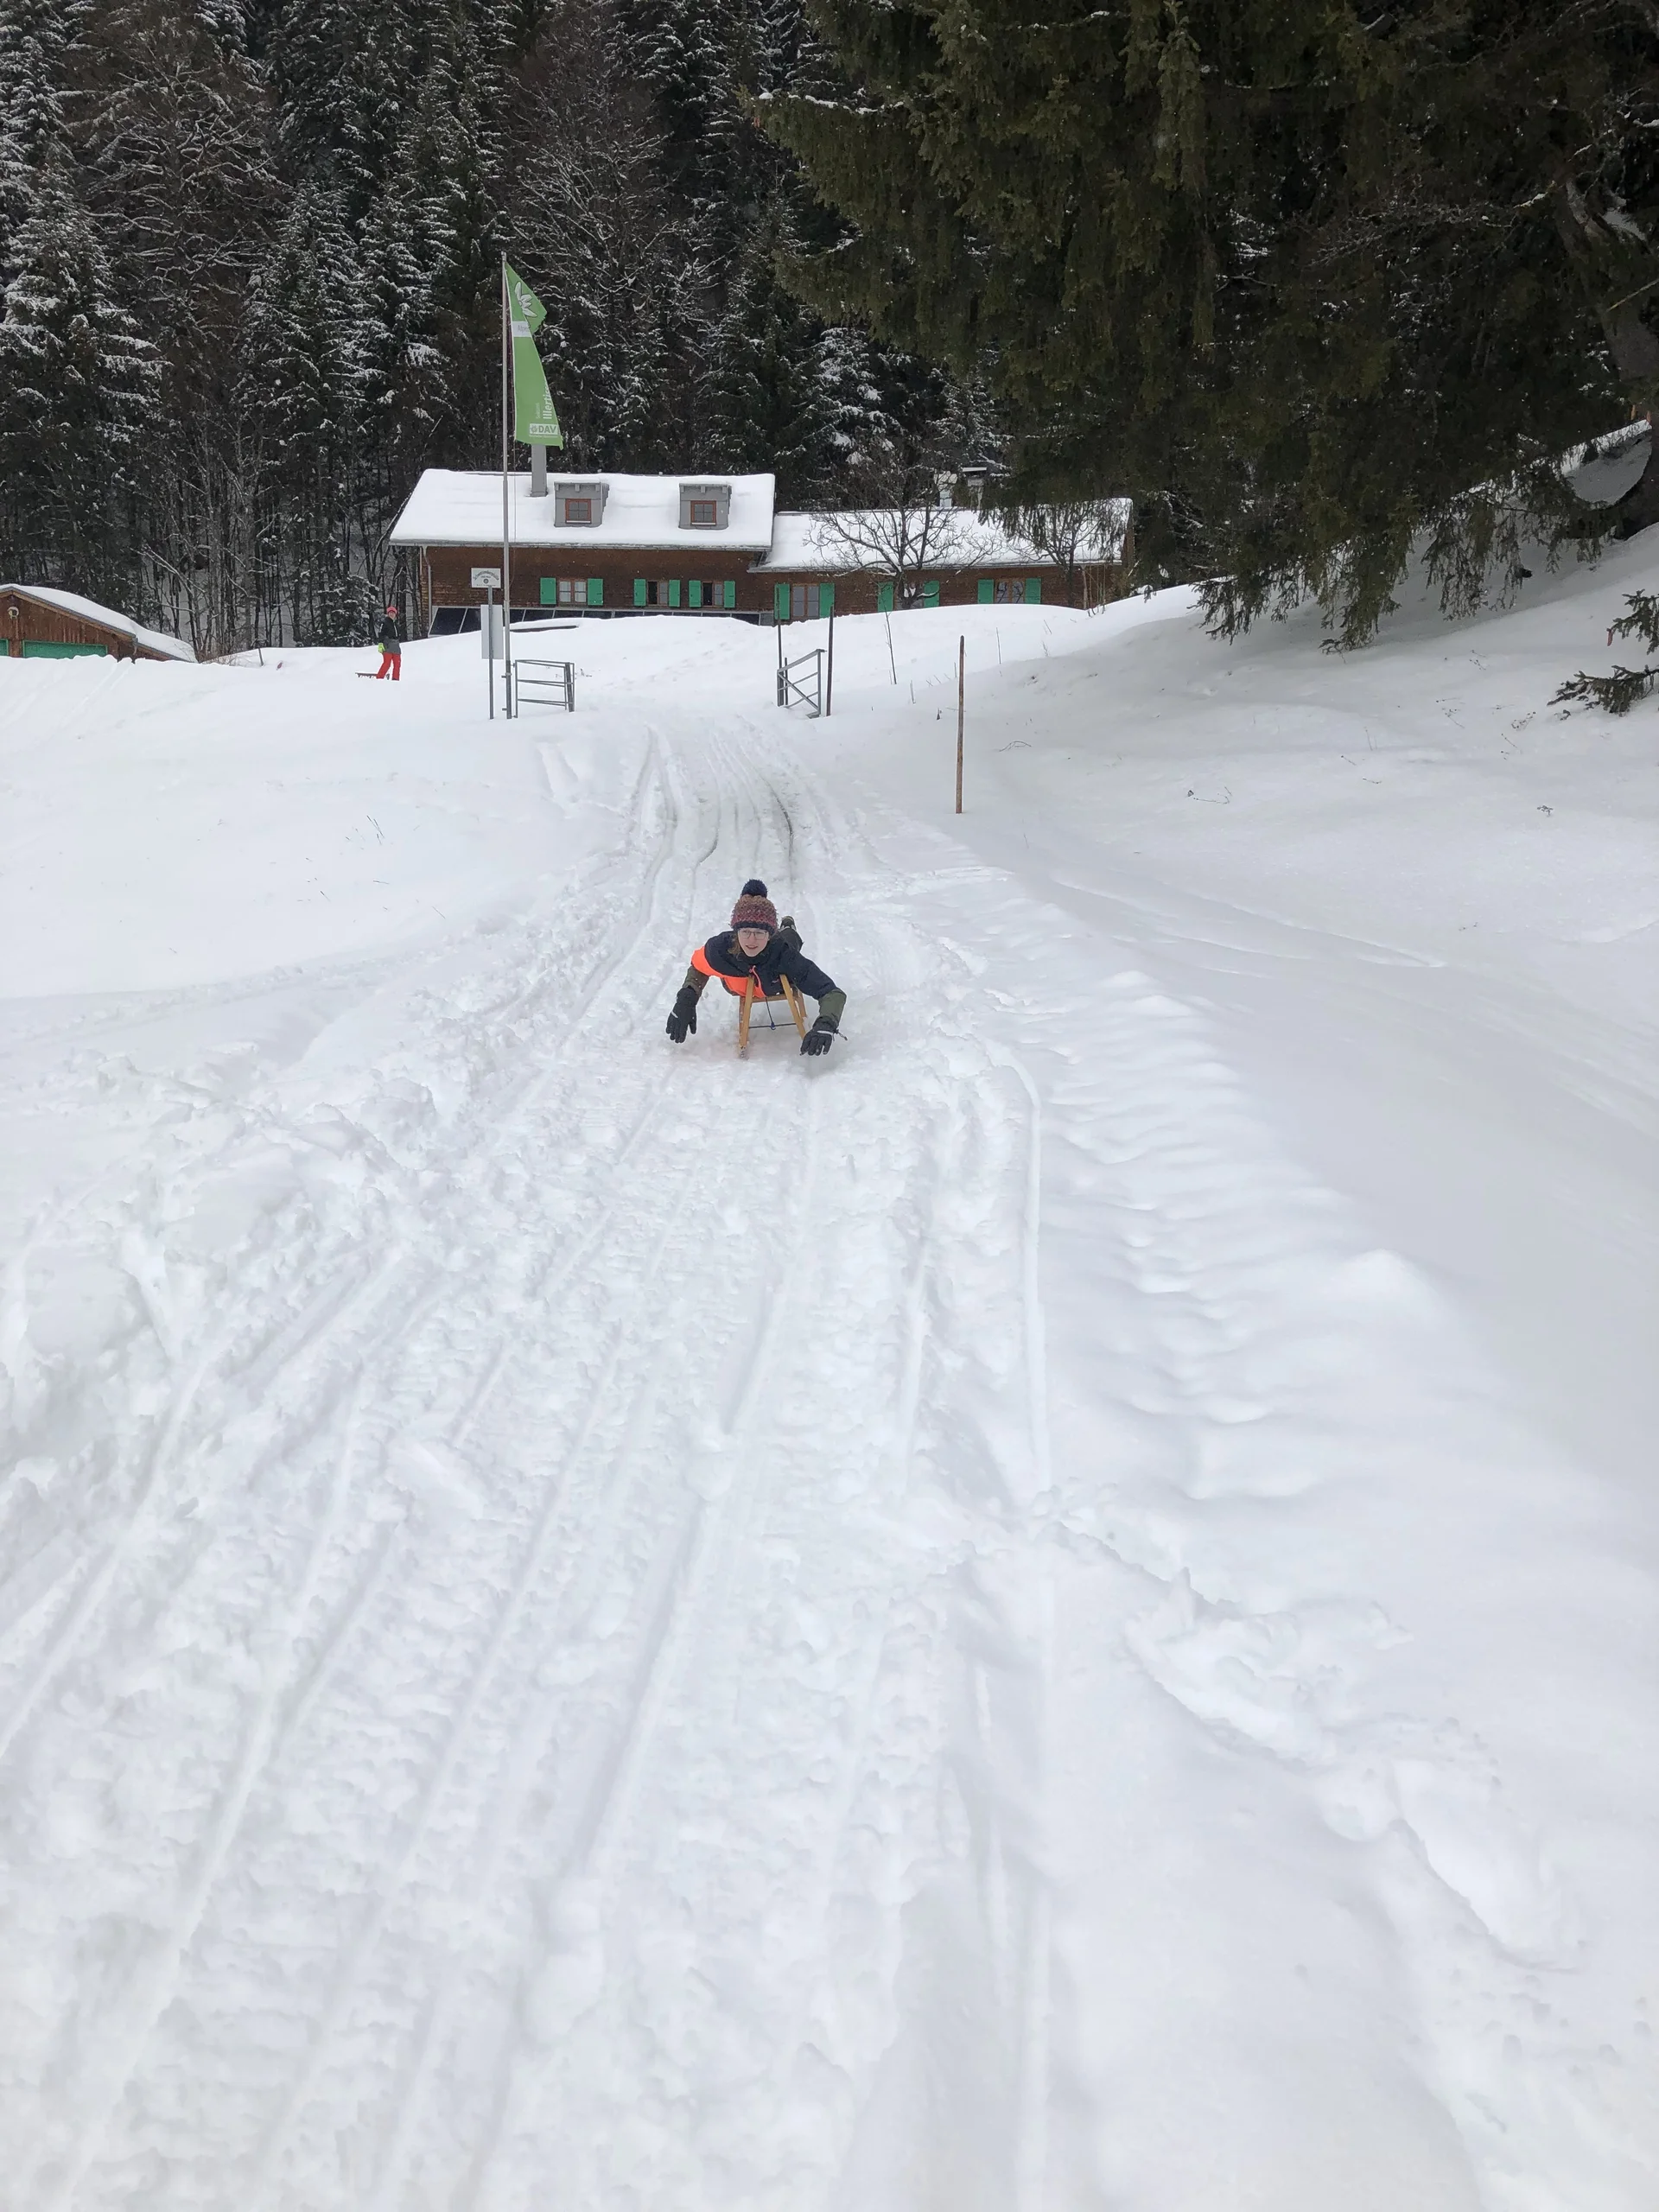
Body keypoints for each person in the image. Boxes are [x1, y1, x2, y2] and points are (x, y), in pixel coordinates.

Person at [667, 880, 845, 1056]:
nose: (751, 941)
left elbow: (831, 992)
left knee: (790, 939)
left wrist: (826, 1024)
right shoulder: (721, 949)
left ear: (769, 934)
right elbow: (698, 965)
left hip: (775, 981)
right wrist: (687, 997)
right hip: (739, 984)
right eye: (745, 932)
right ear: (736, 932)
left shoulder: (783, 954)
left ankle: (788, 927)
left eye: (759, 933)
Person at [374, 604, 402, 680]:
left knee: (397, 664)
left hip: (396, 645)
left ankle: (395, 679)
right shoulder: (385, 623)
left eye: (393, 613)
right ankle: (379, 678)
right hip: (387, 645)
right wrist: (380, 643)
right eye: (390, 612)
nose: (391, 614)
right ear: (388, 613)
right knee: (387, 663)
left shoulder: (395, 623)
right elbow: (381, 633)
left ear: (395, 614)